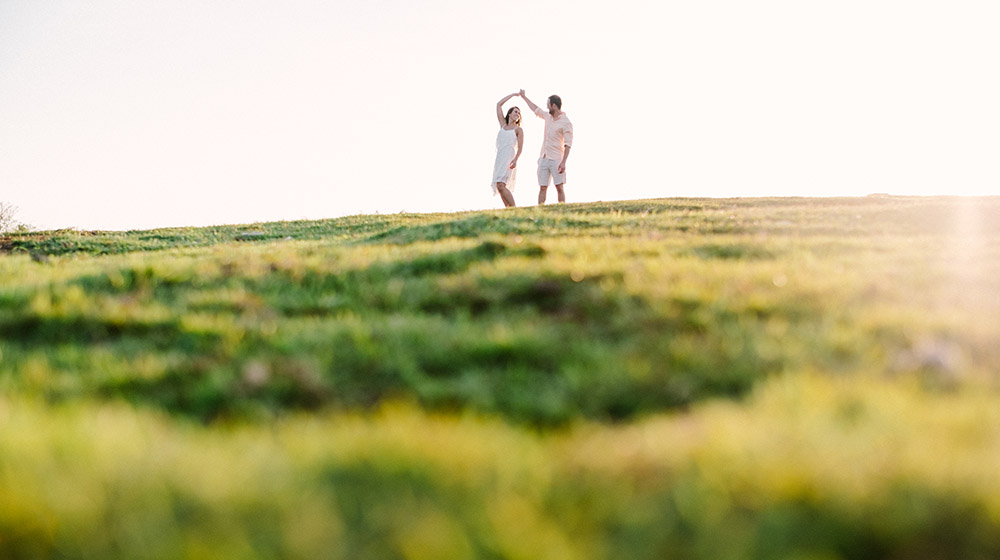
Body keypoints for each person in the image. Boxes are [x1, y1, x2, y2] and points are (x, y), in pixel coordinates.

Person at [519, 89, 573, 204]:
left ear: (554, 106)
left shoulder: (566, 122)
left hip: (557, 159)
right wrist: (524, 97)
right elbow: (535, 109)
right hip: (544, 158)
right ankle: (540, 210)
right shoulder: (548, 116)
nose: (547, 108)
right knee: (542, 187)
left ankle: (562, 209)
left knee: (559, 187)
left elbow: (568, 144)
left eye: (548, 105)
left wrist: (563, 162)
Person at [491, 93, 524, 207]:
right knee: (499, 186)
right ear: (509, 114)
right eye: (515, 111)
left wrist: (515, 160)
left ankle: (514, 208)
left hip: (509, 158)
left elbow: (520, 148)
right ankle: (509, 210)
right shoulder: (503, 125)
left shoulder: (518, 130)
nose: (517, 114)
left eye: (519, 113)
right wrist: (513, 95)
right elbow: (498, 105)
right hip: (500, 157)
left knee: (501, 184)